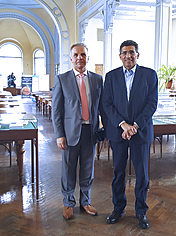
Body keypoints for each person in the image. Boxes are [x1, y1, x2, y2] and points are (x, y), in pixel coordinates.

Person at [102, 40, 158, 229]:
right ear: (120, 56)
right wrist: (123, 125)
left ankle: (141, 211)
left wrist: (135, 125)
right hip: (118, 133)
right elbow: (107, 104)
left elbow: (152, 103)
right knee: (118, 172)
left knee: (142, 174)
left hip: (140, 132)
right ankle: (118, 208)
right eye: (124, 52)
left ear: (137, 55)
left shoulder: (149, 75)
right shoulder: (110, 77)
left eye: (132, 52)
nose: (128, 56)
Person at [52, 43, 104, 220]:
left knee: (88, 169)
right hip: (70, 132)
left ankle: (86, 201)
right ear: (71, 58)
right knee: (69, 169)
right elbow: (57, 111)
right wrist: (59, 134)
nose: (80, 58)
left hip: (90, 131)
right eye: (76, 55)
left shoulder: (97, 79)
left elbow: (102, 107)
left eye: (83, 55)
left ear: (88, 58)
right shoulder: (62, 79)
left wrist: (105, 130)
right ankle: (68, 202)